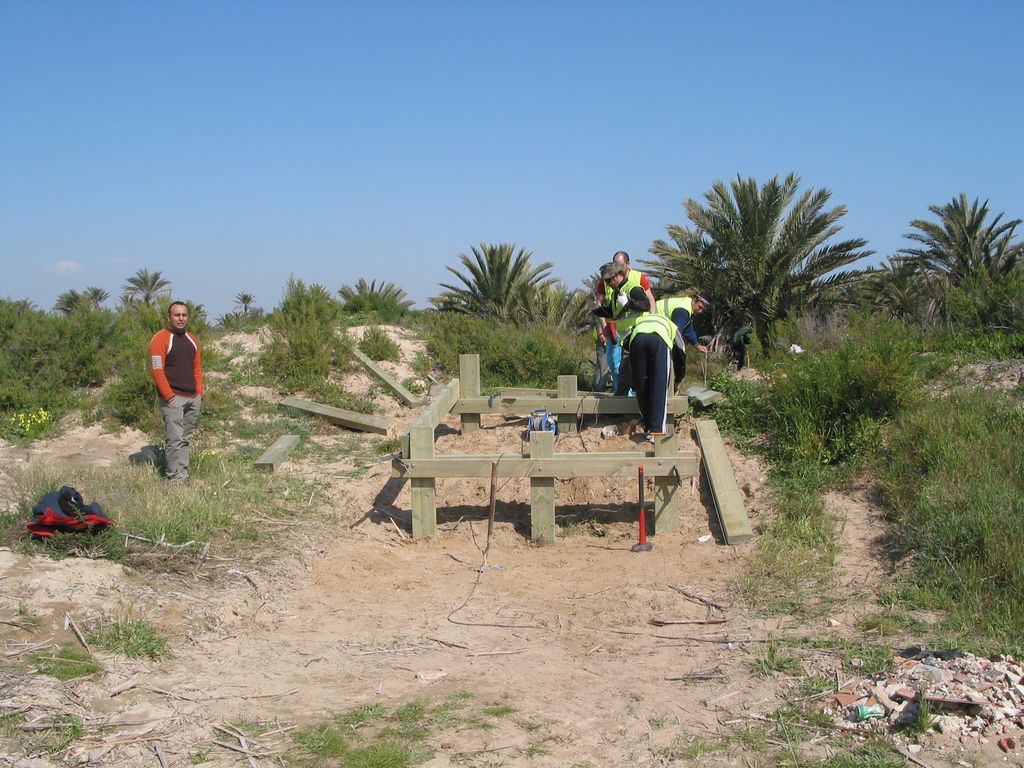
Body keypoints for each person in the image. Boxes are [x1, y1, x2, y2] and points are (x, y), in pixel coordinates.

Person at [150, 301, 204, 482]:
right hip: (173, 398)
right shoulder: (160, 339)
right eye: (177, 315)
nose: (181, 318)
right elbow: (157, 370)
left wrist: (199, 394)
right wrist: (169, 396)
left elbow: (197, 369)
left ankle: (183, 474)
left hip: (192, 398)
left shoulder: (192, 340)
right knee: (174, 440)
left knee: (185, 439)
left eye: (184, 315)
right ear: (169, 317)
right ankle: (173, 478)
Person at [593, 251, 656, 394]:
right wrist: (601, 321)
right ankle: (621, 401)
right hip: (620, 335)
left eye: (609, 280)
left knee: (632, 369)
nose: (607, 283)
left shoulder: (634, 284)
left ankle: (630, 401)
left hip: (636, 334)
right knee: (618, 368)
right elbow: (612, 312)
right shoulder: (615, 291)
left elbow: (646, 303)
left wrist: (651, 320)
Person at [620, 312, 680, 437]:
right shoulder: (671, 324)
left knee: (641, 386)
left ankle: (648, 425)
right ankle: (657, 431)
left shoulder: (641, 320)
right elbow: (681, 349)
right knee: (659, 386)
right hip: (659, 340)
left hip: (637, 340)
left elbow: (625, 342)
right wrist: (679, 377)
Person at [655, 294, 711, 393]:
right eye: (700, 307)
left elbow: (688, 329)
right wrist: (681, 355)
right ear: (695, 300)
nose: (700, 311)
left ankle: (671, 387)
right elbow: (677, 332)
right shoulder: (683, 311)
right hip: (653, 324)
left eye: (703, 310)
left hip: (656, 325)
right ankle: (671, 388)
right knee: (677, 356)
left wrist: (697, 345)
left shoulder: (686, 306)